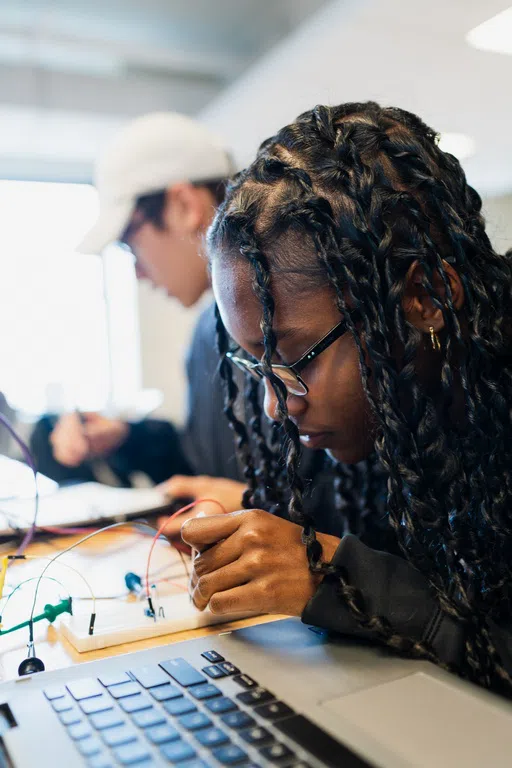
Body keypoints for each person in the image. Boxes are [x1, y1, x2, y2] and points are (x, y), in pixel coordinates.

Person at [181, 101, 512, 695]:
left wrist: (351, 581)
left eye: (293, 355)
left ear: (425, 299)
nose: (274, 407)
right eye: (254, 364)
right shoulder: (395, 413)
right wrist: (253, 544)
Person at [40, 112, 339, 532]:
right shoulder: (206, 333)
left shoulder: (304, 313)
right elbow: (209, 468)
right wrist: (127, 438)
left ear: (183, 206)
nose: (138, 273)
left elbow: (366, 497)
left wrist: (256, 505)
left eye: (131, 245)